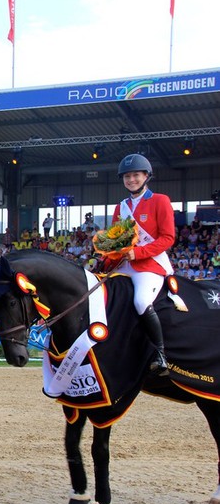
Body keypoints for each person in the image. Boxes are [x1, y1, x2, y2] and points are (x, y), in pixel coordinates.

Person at [110, 153, 173, 375]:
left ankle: (161, 354)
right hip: (125, 263)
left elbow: (167, 238)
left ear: (146, 176)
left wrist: (139, 253)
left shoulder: (160, 201)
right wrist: (104, 259)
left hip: (150, 264)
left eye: (136, 175)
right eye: (127, 176)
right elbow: (116, 241)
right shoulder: (120, 207)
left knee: (140, 301)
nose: (131, 180)